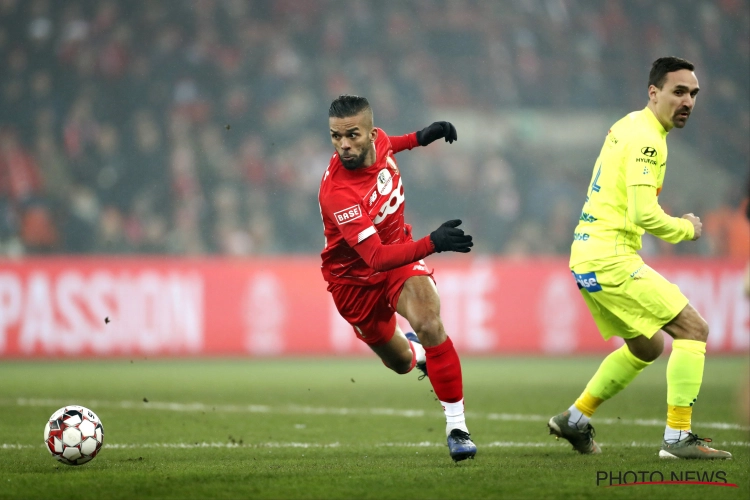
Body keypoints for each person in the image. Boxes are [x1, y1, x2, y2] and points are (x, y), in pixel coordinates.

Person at [548, 57, 732, 459]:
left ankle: (574, 420)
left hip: (586, 257)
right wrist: (687, 228)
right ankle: (677, 437)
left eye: (694, 94)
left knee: (647, 347)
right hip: (611, 257)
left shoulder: (628, 123)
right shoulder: (649, 138)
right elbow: (642, 213)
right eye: (678, 91)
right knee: (693, 329)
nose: (687, 101)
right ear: (654, 93)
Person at [318, 95, 476, 462]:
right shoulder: (339, 193)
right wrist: (432, 242)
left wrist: (423, 136)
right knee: (401, 364)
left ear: (371, 134)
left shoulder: (381, 141)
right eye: (335, 137)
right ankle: (417, 354)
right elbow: (373, 258)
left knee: (429, 322)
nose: (344, 145)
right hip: (353, 283)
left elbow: (395, 143)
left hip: (398, 259)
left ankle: (457, 427)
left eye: (352, 135)